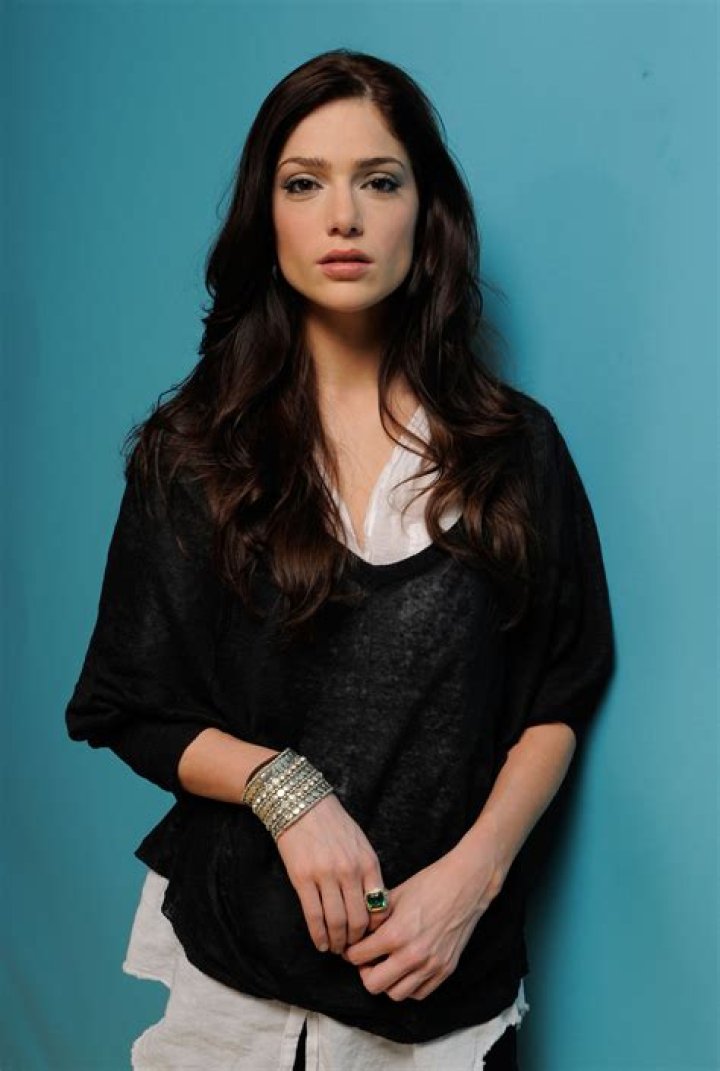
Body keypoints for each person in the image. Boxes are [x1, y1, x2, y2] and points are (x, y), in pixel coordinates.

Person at [65, 48, 615, 1071]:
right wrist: (288, 788)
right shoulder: (194, 453)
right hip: (232, 985)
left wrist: (477, 876)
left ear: (426, 213)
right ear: (266, 217)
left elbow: (560, 689)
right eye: (304, 183)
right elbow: (130, 705)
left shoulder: (515, 450)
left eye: (379, 181)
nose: (344, 218)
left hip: (439, 994)